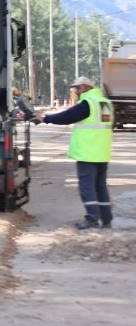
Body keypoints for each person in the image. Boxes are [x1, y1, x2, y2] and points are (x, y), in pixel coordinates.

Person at [32, 77, 114, 229]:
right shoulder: (105, 103)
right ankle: (106, 219)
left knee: (87, 187)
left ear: (85, 87)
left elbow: (68, 116)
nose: (75, 91)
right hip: (102, 152)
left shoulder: (88, 103)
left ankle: (92, 218)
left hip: (88, 153)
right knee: (100, 186)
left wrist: (45, 118)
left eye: (77, 88)